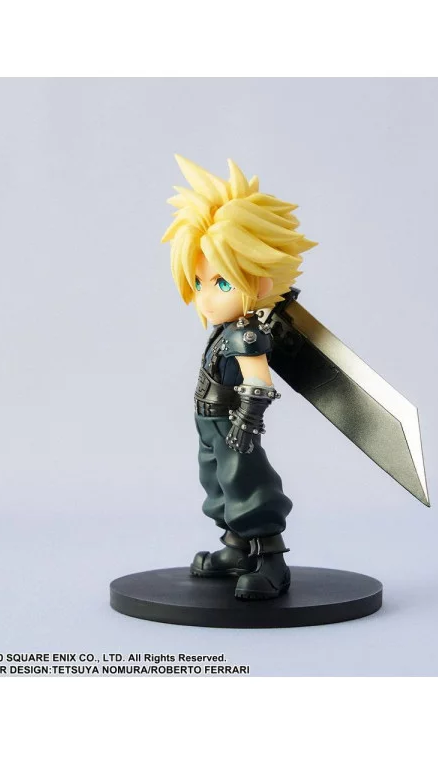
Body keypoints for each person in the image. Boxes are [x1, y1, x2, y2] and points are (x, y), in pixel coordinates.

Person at [161, 155, 316, 599]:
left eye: (222, 283)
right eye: (199, 282)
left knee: (247, 484)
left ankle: (271, 562)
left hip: (232, 422)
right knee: (215, 483)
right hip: (209, 421)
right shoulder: (224, 330)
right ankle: (236, 548)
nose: (206, 298)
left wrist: (247, 424)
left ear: (261, 281)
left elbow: (259, 382)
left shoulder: (246, 333)